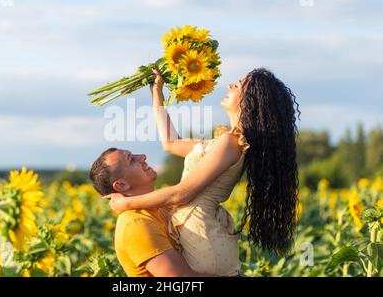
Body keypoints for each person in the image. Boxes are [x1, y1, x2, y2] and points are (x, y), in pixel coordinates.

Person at [104, 68, 301, 276]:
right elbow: (171, 143)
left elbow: (182, 193)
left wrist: (125, 203)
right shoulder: (227, 141)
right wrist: (157, 94)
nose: (230, 85)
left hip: (202, 236)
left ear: (252, 100)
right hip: (200, 232)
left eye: (240, 85)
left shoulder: (230, 143)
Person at [89, 148, 215, 277]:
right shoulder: (135, 224)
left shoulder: (159, 205)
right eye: (131, 160)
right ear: (121, 185)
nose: (143, 156)